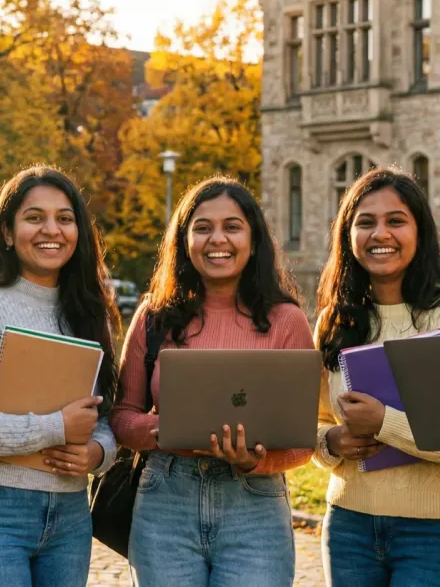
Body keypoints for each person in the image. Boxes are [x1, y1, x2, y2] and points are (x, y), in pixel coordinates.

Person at [110, 177, 314, 587]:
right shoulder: (154, 316)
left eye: (232, 227)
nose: (217, 239)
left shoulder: (287, 320)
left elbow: (302, 443)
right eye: (202, 227)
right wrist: (161, 429)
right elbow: (122, 416)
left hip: (254, 505)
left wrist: (253, 461)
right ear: (184, 241)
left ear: (253, 240)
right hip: (166, 501)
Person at [0, 166, 119, 587]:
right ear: (8, 233)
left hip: (70, 515)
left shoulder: (89, 313)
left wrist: (97, 453)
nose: (51, 229)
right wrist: (55, 427)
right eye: (35, 217)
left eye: (64, 218)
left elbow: (104, 415)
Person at [312, 167, 440, 587]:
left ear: (420, 232)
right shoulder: (334, 320)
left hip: (437, 533)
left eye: (396, 221)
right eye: (365, 222)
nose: (380, 234)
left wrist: (383, 423)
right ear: (348, 235)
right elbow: (313, 423)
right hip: (349, 527)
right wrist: (331, 442)